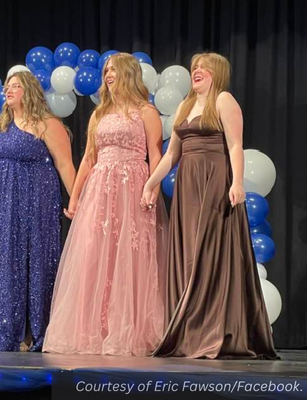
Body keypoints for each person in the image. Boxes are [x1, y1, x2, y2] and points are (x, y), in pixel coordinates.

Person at [141, 53, 278, 359]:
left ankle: (214, 330)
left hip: (215, 181)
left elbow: (234, 145)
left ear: (217, 73)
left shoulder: (224, 100)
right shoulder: (185, 106)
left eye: (203, 68)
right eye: (194, 68)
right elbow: (171, 155)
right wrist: (151, 184)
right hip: (188, 187)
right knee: (189, 255)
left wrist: (238, 182)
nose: (197, 71)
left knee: (210, 254)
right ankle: (190, 332)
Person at [42, 53, 167, 356]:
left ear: (129, 75)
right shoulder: (100, 114)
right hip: (100, 189)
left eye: (114, 70)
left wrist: (152, 188)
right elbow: (88, 158)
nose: (108, 75)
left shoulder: (146, 111)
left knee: (130, 257)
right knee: (96, 257)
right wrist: (74, 198)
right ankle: (94, 331)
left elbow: (155, 154)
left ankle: (127, 331)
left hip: (132, 186)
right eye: (106, 70)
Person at [0, 71, 76, 352]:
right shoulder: (0, 128)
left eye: (15, 86)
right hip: (0, 206)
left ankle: (33, 332)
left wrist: (77, 200)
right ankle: (1, 330)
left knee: (34, 261)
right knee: (3, 262)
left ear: (29, 91)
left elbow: (65, 165)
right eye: (7, 86)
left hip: (35, 202)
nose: (8, 90)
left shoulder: (47, 124)